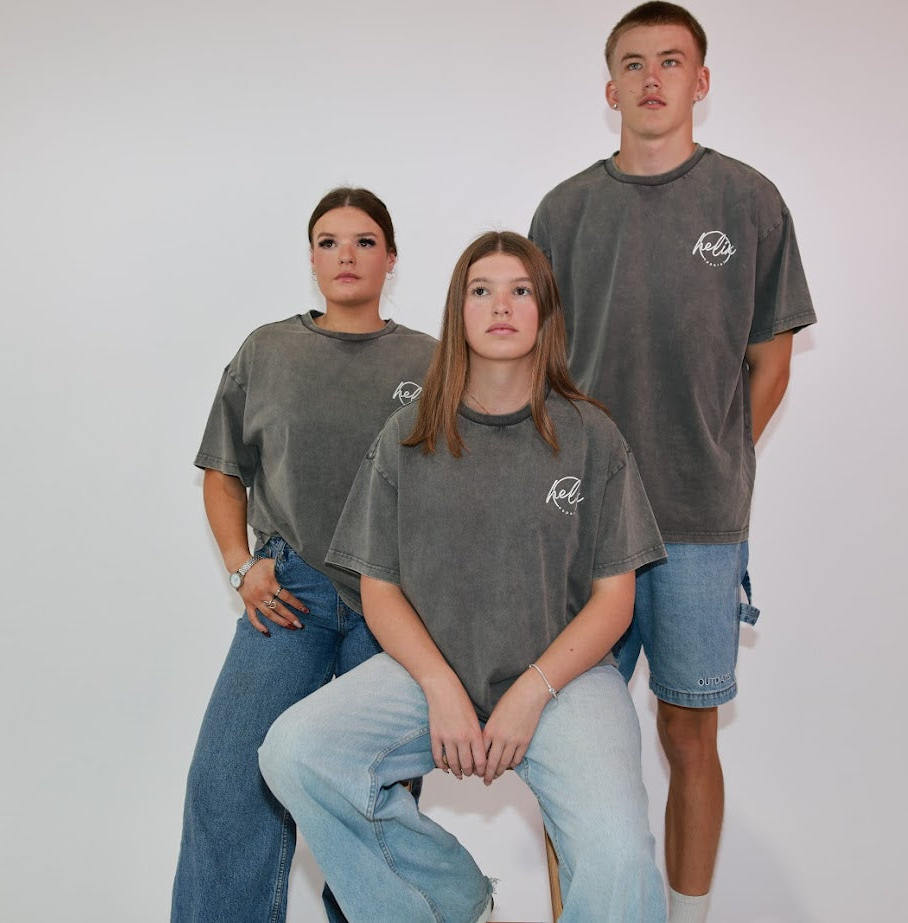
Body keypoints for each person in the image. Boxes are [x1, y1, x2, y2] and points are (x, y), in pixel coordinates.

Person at [259, 231, 670, 923]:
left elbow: (614, 599)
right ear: (459, 310)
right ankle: (449, 901)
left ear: (544, 313)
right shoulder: (406, 435)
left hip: (563, 682)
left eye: (520, 291)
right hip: (430, 673)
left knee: (620, 857)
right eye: (482, 290)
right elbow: (380, 587)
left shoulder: (592, 435)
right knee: (295, 752)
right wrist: (440, 684)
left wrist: (531, 692)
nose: (500, 305)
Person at [527, 4, 818, 920]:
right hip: (583, 529)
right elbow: (532, 366)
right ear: (608, 86)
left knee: (689, 734)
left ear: (701, 80)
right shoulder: (563, 212)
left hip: (697, 523)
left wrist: (717, 454)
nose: (651, 78)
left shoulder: (748, 202)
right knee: (567, 745)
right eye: (632, 63)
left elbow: (771, 364)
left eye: (670, 61)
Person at [171, 187, 437, 923]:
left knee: (369, 801)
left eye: (363, 241)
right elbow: (222, 471)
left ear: (390, 257)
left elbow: (460, 488)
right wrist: (240, 564)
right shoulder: (268, 350)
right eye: (328, 242)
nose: (346, 255)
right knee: (227, 783)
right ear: (312, 258)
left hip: (395, 605)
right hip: (289, 595)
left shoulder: (433, 360)